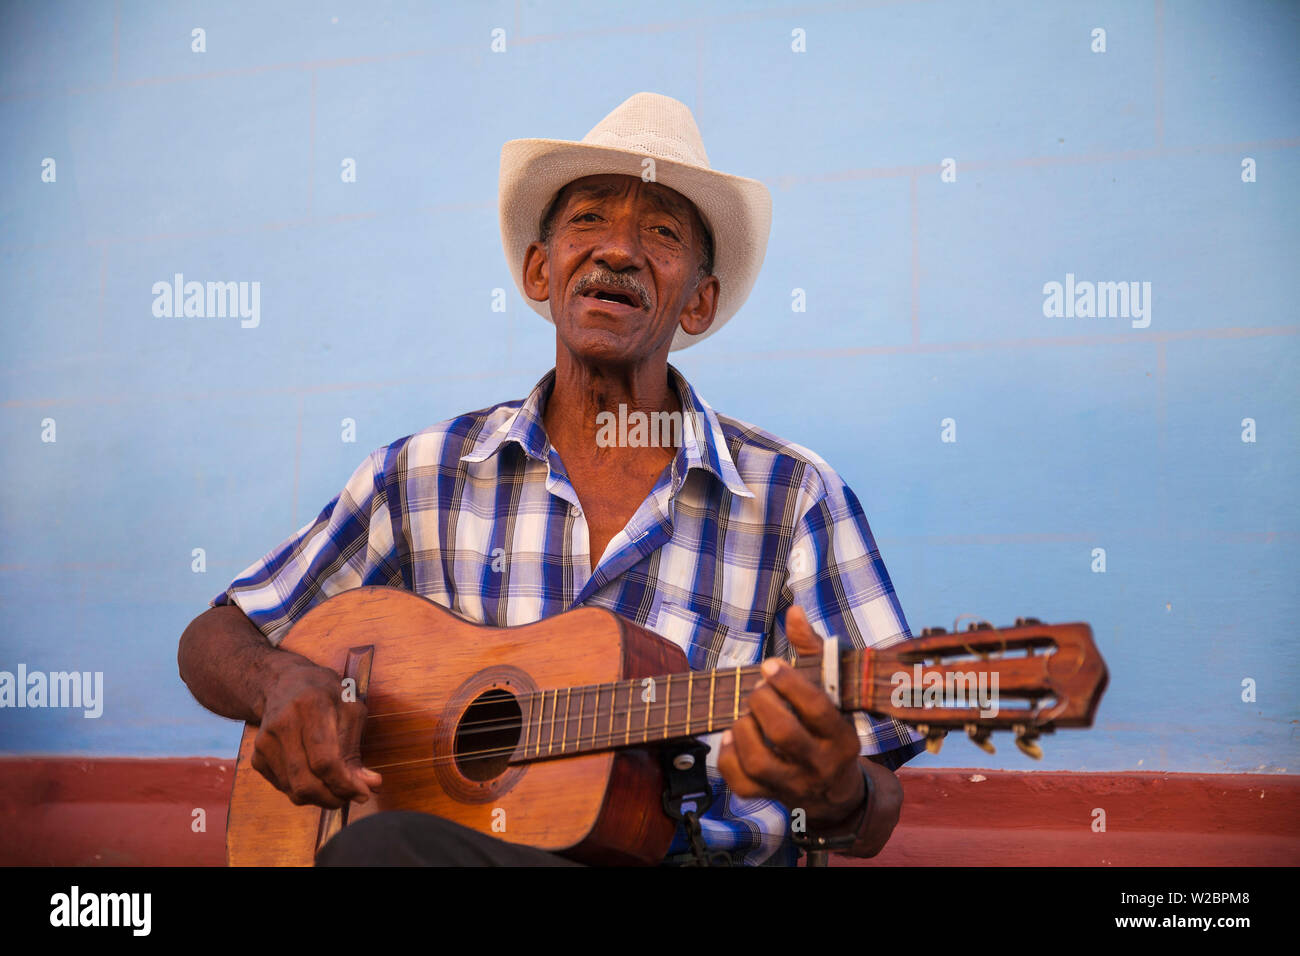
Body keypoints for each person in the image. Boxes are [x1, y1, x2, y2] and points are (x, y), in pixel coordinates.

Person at [178, 92, 925, 866]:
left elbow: (876, 807)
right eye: (589, 221)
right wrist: (280, 684)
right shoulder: (426, 474)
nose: (619, 252)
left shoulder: (792, 497)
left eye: (662, 234)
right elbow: (214, 635)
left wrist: (838, 792)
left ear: (698, 301)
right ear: (542, 270)